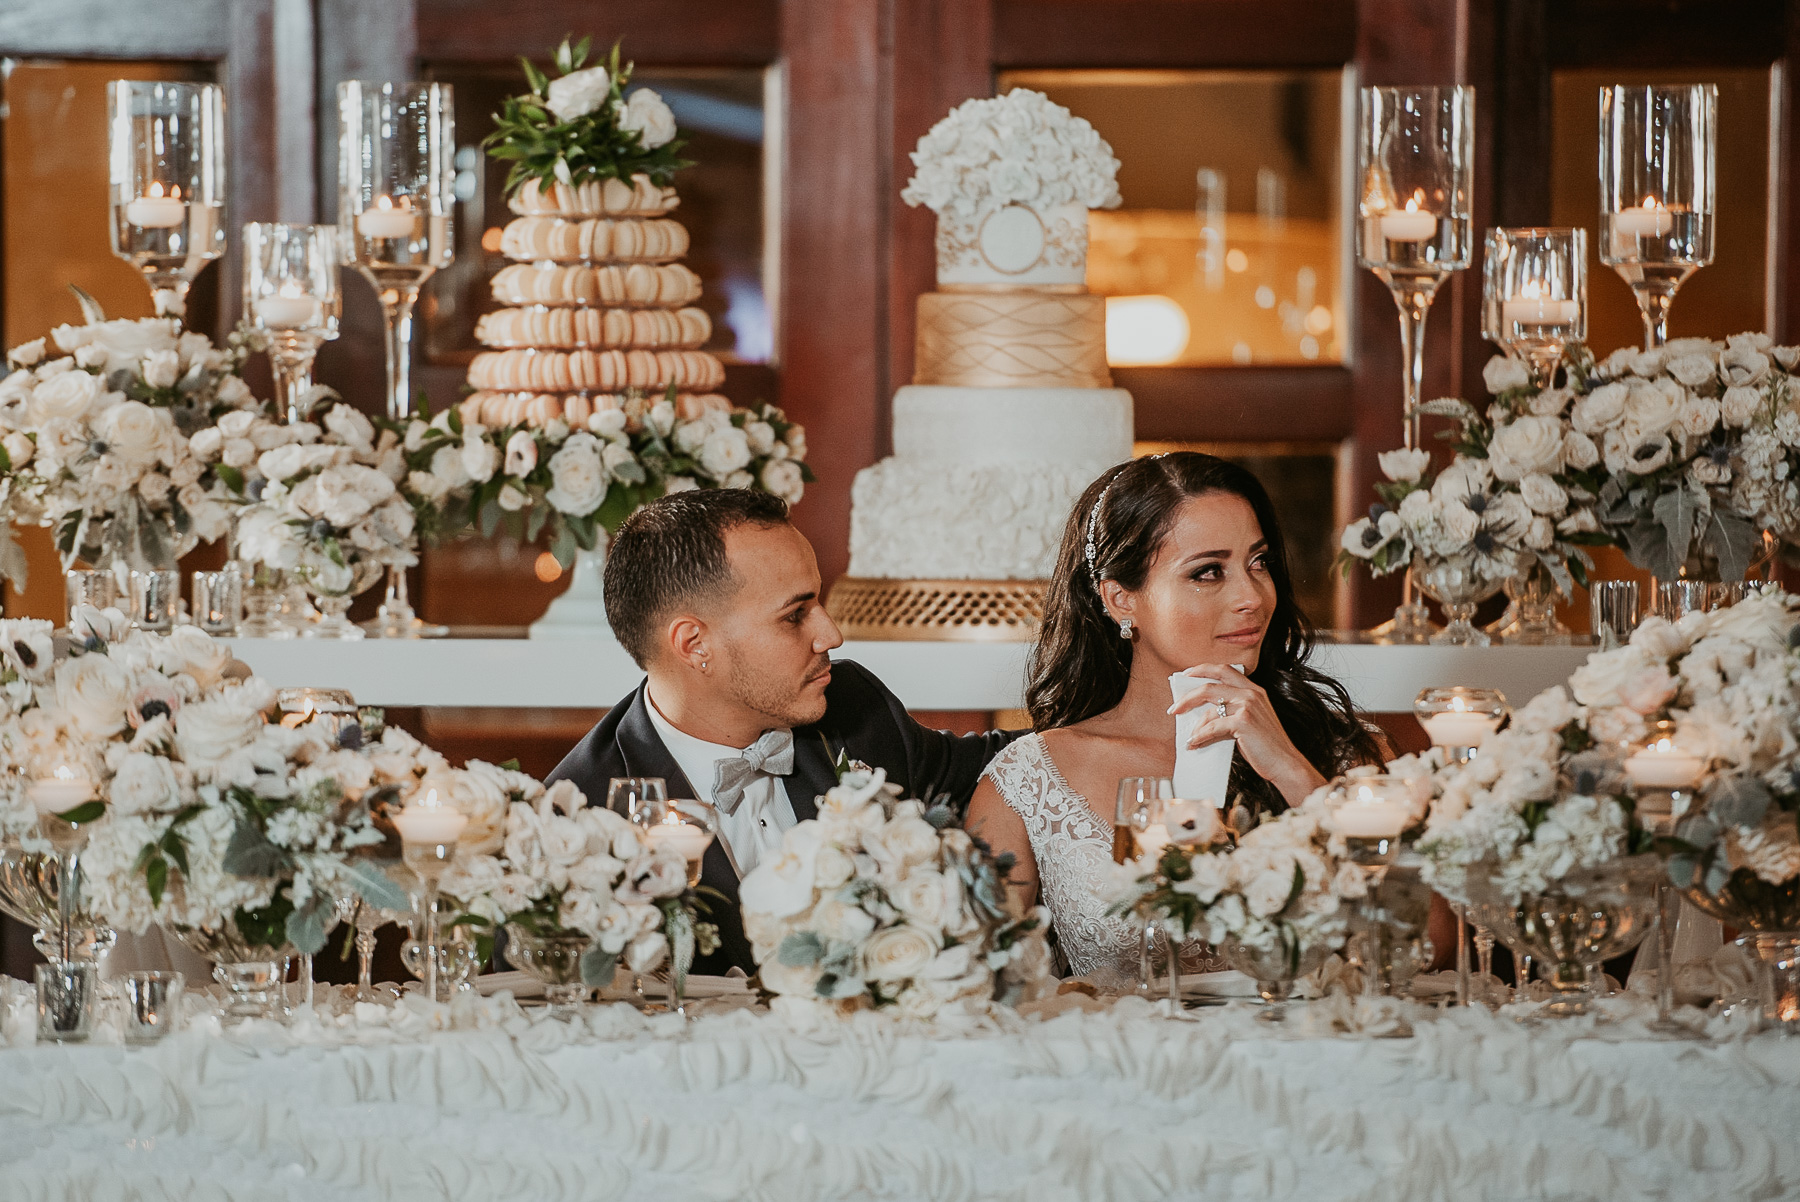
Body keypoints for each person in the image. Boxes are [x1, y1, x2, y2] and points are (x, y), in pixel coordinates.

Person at [547, 489, 1018, 976]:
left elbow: (1010, 765)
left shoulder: (855, 708)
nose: (830, 635)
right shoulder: (581, 817)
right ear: (694, 644)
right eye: (795, 615)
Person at [965, 453, 1381, 987]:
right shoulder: (1028, 779)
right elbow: (981, 983)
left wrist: (1291, 770)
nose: (1252, 596)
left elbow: (1423, 942)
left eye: (1258, 562)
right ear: (1121, 599)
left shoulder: (1339, 750)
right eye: (1208, 572)